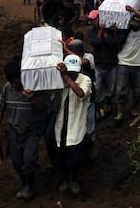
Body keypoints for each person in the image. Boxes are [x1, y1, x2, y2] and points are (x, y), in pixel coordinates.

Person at [0, 57, 51, 200]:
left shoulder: (34, 87)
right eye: (14, 83)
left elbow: (46, 109)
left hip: (32, 130)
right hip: (15, 130)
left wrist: (33, 99)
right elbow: (0, 108)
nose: (17, 84)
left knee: (29, 158)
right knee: (17, 161)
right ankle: (24, 182)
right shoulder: (7, 88)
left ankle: (29, 184)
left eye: (18, 80)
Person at [53, 54, 92, 194]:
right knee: (62, 157)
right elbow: (56, 107)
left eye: (74, 71)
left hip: (76, 126)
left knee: (75, 157)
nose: (72, 73)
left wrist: (66, 77)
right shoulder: (60, 82)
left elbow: (81, 93)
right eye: (70, 71)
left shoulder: (85, 80)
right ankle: (65, 179)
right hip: (61, 126)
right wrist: (58, 87)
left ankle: (74, 179)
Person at [114, 5, 140, 124]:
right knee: (120, 90)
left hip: (139, 65)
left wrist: (133, 10)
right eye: (133, 24)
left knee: (138, 90)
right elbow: (117, 41)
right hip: (123, 63)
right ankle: (120, 111)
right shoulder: (125, 31)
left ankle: (134, 108)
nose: (134, 26)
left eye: (136, 24)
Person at [87, 10, 119, 118]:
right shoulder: (92, 32)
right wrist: (101, 30)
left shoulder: (110, 30)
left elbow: (112, 42)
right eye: (91, 20)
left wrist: (108, 31)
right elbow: (95, 43)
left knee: (111, 87)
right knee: (99, 87)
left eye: (94, 20)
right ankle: (99, 106)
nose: (92, 22)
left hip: (111, 63)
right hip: (99, 64)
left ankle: (108, 102)